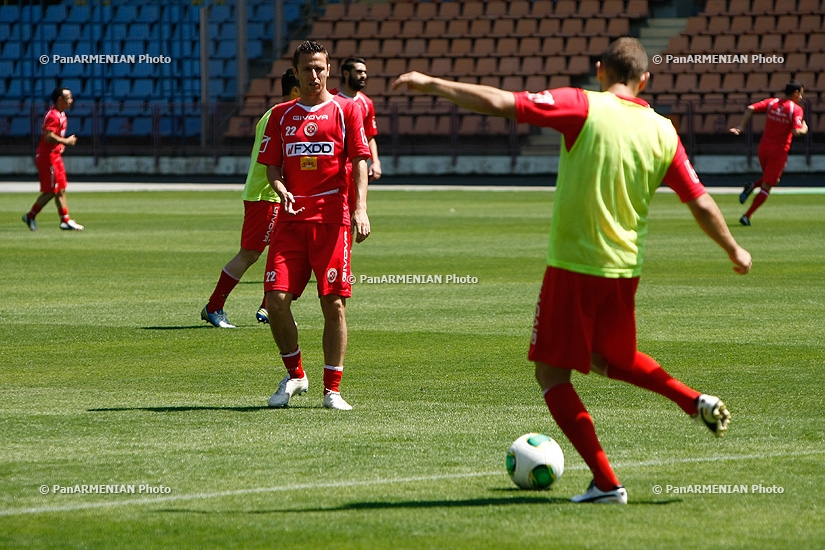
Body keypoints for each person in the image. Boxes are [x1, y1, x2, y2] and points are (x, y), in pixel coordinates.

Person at [393, 37, 752, 504]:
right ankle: (692, 400)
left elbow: (502, 102)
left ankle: (606, 482)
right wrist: (733, 248)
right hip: (625, 269)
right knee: (610, 362)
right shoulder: (664, 130)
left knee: (551, 376)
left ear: (600, 70)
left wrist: (430, 83)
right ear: (645, 80)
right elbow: (700, 200)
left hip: (575, 265)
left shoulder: (583, 105)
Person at [257, 40, 371, 411]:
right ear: (296, 71)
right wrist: (280, 187)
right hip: (290, 221)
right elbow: (273, 165)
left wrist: (360, 209)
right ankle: (295, 375)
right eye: (307, 68)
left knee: (333, 303)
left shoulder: (346, 110)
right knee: (275, 302)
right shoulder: (281, 115)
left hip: (331, 220)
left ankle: (332, 390)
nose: (314, 74)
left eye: (320, 67)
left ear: (328, 69)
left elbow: (358, 161)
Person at [201, 69, 301, 329]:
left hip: (275, 194)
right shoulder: (279, 116)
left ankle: (269, 307)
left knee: (287, 250)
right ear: (295, 90)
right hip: (266, 195)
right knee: (250, 254)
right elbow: (275, 160)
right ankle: (214, 307)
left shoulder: (277, 114)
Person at [730, 80, 808, 226]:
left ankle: (752, 186)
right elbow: (796, 131)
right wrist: (805, 128)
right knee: (768, 185)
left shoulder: (772, 102)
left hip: (763, 149)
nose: (801, 98)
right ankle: (747, 216)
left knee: (771, 179)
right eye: (801, 94)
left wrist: (741, 126)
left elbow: (751, 107)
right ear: (796, 93)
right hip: (778, 152)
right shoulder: (795, 109)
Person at [22, 87, 83, 231]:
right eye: (68, 98)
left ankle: (65, 220)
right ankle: (30, 215)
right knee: (51, 190)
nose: (71, 100)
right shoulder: (53, 115)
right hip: (47, 157)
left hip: (55, 156)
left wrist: (60, 146)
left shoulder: (61, 115)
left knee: (61, 188)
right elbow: (48, 136)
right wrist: (65, 141)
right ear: (60, 99)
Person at [331, 57, 382, 188]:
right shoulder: (330, 99)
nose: (363, 76)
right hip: (332, 165)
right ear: (346, 73)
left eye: (365, 72)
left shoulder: (367, 103)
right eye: (359, 72)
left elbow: (369, 136)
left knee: (357, 208)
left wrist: (375, 162)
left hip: (356, 166)